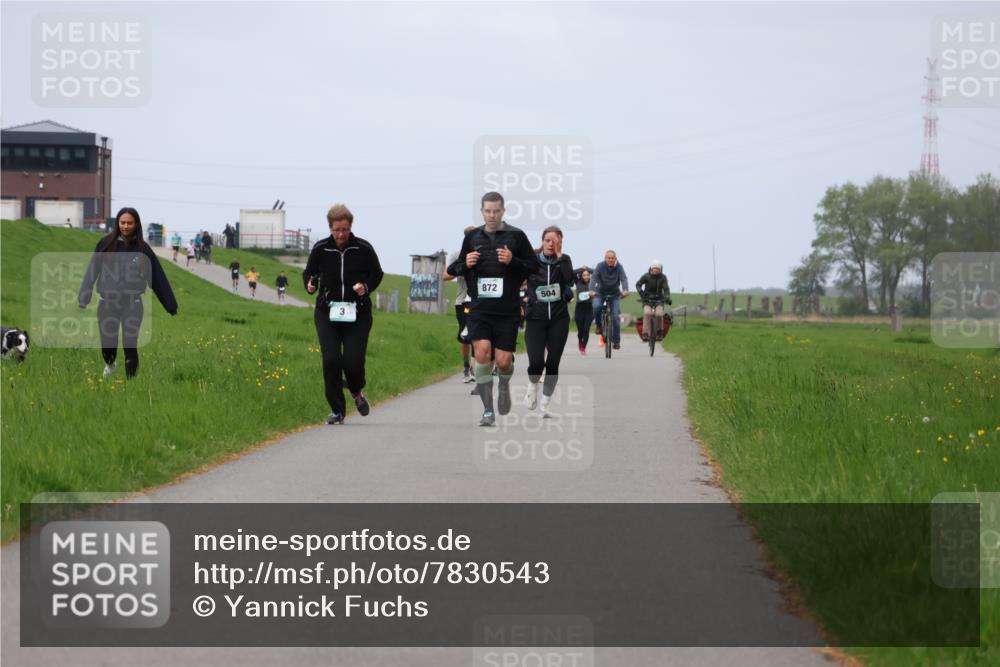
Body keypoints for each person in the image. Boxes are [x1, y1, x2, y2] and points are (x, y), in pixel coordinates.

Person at [446, 192, 539, 427]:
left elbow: (534, 266)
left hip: (507, 309)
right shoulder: (473, 237)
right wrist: (464, 264)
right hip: (479, 308)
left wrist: (513, 261)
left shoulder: (516, 236)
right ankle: (488, 409)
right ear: (481, 212)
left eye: (496, 211)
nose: (492, 215)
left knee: (504, 361)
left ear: (503, 211)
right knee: (482, 354)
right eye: (487, 211)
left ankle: (505, 385)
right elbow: (454, 268)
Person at [304, 203, 384, 425]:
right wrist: (310, 285)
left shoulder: (363, 248)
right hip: (327, 312)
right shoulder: (321, 248)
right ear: (330, 228)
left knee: (353, 363)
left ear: (351, 227)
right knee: (330, 360)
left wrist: (365, 287)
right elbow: (309, 273)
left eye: (345, 230)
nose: (341, 235)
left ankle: (356, 391)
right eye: (337, 230)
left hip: (357, 314)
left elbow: (377, 274)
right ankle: (337, 410)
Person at [78, 207, 178, 379]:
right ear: (118, 224)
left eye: (129, 223)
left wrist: (170, 305)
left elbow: (157, 277)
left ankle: (131, 382)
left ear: (136, 224)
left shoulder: (143, 249)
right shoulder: (105, 244)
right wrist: (84, 297)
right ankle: (110, 364)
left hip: (133, 303)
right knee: (108, 345)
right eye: (122, 223)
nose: (125, 226)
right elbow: (92, 271)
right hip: (107, 303)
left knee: (130, 344)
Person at [523, 226, 574, 417]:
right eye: (548, 240)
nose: (551, 244)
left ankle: (545, 404)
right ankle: (532, 386)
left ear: (561, 242)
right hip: (536, 318)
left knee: (553, 363)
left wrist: (561, 257)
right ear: (542, 241)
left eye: (555, 240)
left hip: (559, 319)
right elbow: (518, 278)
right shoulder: (532, 261)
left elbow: (570, 279)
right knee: (536, 362)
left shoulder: (565, 260)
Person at [443, 226, 477, 383]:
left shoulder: (482, 254)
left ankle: (474, 368)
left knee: (477, 335)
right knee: (465, 336)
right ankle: (465, 366)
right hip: (461, 300)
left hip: (477, 301)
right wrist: (462, 267)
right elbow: (445, 276)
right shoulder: (458, 255)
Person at [589, 250, 630, 350]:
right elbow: (593, 278)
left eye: (612, 258)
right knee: (596, 306)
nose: (610, 260)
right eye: (609, 258)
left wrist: (625, 289)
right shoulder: (600, 266)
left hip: (614, 294)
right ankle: (599, 325)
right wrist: (591, 290)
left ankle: (616, 341)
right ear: (605, 258)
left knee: (616, 317)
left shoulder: (619, 267)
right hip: (600, 293)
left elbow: (624, 279)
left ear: (615, 259)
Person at [635, 260, 672, 341]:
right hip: (647, 299)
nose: (655, 270)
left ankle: (659, 332)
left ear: (660, 270)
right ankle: (645, 333)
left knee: (659, 314)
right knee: (647, 313)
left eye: (657, 269)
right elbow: (638, 284)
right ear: (651, 269)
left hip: (659, 299)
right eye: (654, 268)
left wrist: (667, 297)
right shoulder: (646, 276)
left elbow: (666, 288)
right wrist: (641, 292)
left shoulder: (663, 277)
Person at [573, 266, 593, 354]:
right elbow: (572, 272)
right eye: (584, 275)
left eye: (588, 275)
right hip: (579, 308)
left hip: (590, 307)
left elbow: (596, 272)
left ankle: (583, 347)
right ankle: (580, 340)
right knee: (580, 329)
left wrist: (588, 269)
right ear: (581, 276)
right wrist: (581, 268)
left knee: (586, 328)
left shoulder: (593, 282)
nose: (586, 277)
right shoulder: (577, 282)